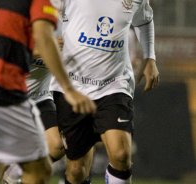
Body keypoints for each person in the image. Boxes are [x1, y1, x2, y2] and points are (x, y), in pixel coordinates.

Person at [0, 0, 96, 184]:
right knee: (23, 167)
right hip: (5, 93)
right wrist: (45, 53)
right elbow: (33, 43)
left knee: (53, 146)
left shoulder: (74, 20)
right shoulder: (36, 8)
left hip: (28, 95)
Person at [50, 0, 160, 183]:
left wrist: (150, 57)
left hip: (114, 85)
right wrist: (49, 37)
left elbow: (144, 21)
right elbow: (41, 13)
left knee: (121, 153)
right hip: (73, 87)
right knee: (77, 171)